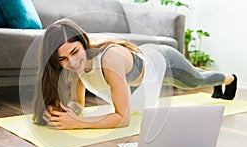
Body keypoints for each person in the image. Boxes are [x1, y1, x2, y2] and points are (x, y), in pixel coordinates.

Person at [32, 18, 237, 130]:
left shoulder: (108, 59)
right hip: (143, 78)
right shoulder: (76, 67)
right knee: (196, 78)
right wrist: (66, 112)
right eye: (62, 59)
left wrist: (78, 123)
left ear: (83, 42)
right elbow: (79, 104)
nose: (72, 62)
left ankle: (229, 78)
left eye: (74, 52)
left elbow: (123, 118)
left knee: (196, 81)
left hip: (163, 60)